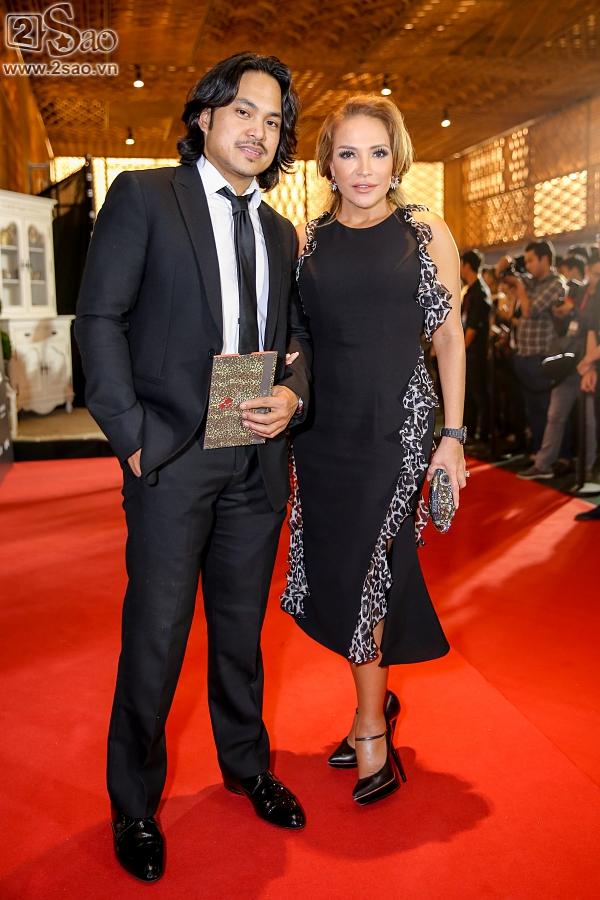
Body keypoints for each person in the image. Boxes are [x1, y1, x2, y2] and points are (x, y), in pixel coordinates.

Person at [75, 52, 312, 883]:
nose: (259, 131)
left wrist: (293, 395)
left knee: (240, 633)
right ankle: (134, 804)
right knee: (157, 635)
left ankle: (246, 765)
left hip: (257, 453)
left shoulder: (280, 232)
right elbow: (99, 318)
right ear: (205, 116)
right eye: (244, 111)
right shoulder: (145, 197)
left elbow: (296, 337)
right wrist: (133, 436)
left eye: (274, 121)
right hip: (173, 455)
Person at [274, 95, 466, 806]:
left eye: (377, 153)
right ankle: (374, 700)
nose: (363, 169)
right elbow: (295, 338)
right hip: (323, 432)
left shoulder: (424, 231)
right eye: (348, 153)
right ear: (328, 163)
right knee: (338, 569)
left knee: (369, 568)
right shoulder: (308, 240)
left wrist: (453, 437)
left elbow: (448, 338)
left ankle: (370, 728)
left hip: (398, 426)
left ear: (397, 159)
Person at [519, 254, 598, 480]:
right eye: (594, 274)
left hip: (588, 364)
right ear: (587, 272)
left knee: (589, 421)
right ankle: (543, 464)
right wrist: (563, 312)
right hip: (568, 364)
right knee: (555, 414)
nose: (596, 279)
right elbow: (569, 322)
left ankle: (587, 469)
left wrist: (589, 362)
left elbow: (591, 330)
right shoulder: (579, 292)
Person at [501, 242, 566, 454]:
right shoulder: (530, 282)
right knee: (532, 410)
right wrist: (505, 270)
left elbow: (530, 310)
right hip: (524, 355)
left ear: (544, 259)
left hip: (542, 356)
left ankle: (552, 456)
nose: (527, 265)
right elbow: (507, 279)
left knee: (547, 410)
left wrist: (520, 288)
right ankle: (537, 453)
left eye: (530, 260)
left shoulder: (556, 283)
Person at [460, 249, 492, 442]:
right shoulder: (469, 290)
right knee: (469, 395)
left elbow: (473, 326)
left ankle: (485, 436)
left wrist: (461, 351)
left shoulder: (480, 291)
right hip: (468, 351)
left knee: (479, 394)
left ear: (467, 265)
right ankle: (470, 434)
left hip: (475, 352)